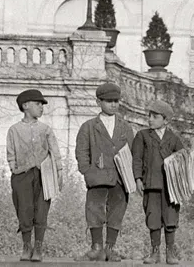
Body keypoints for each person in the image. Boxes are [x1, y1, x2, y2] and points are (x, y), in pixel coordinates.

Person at [76, 81, 135, 261]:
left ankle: (110, 248)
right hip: (97, 176)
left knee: (117, 210)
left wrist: (129, 173)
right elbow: (81, 151)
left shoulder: (125, 127)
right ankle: (96, 248)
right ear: (98, 102)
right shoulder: (88, 126)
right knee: (94, 209)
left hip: (120, 177)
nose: (113, 104)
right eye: (108, 101)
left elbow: (133, 151)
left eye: (116, 101)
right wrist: (87, 171)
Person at [7, 88, 60, 263]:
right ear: (25, 106)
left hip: (43, 176)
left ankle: (38, 247)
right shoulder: (14, 130)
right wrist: (14, 168)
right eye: (38, 104)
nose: (41, 108)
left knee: (41, 210)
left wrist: (58, 173)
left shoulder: (45, 129)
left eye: (42, 105)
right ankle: (26, 246)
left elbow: (55, 152)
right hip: (22, 175)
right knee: (24, 209)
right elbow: (11, 152)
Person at [131, 99, 186, 265]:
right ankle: (155, 252)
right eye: (149, 116)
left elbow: (183, 159)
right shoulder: (142, 136)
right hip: (151, 184)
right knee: (153, 218)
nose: (150, 119)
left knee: (170, 218)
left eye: (155, 117)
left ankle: (171, 252)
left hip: (171, 188)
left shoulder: (174, 138)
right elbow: (137, 159)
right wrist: (138, 178)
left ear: (166, 120)